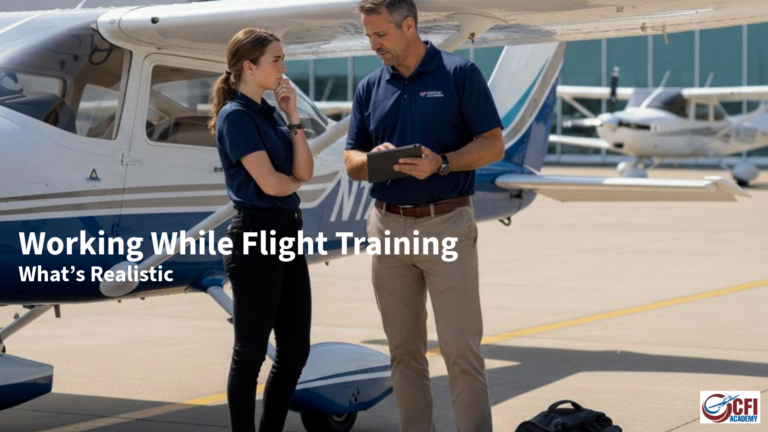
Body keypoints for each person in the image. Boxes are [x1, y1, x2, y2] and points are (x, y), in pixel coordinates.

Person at [344, 0, 505, 430]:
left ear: (409, 25)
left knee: (460, 349)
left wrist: (443, 162)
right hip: (387, 226)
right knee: (404, 351)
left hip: (446, 225)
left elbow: (493, 144)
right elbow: (350, 161)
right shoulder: (370, 87)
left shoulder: (459, 75)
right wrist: (371, 160)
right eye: (368, 35)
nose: (372, 43)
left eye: (380, 34)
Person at [209, 28, 314, 432]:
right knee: (250, 355)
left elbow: (302, 170)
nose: (283, 67)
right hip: (256, 236)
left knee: (294, 351)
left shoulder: (269, 113)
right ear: (248, 67)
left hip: (286, 233)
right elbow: (272, 184)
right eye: (276, 59)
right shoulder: (235, 116)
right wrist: (290, 184)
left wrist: (292, 115)